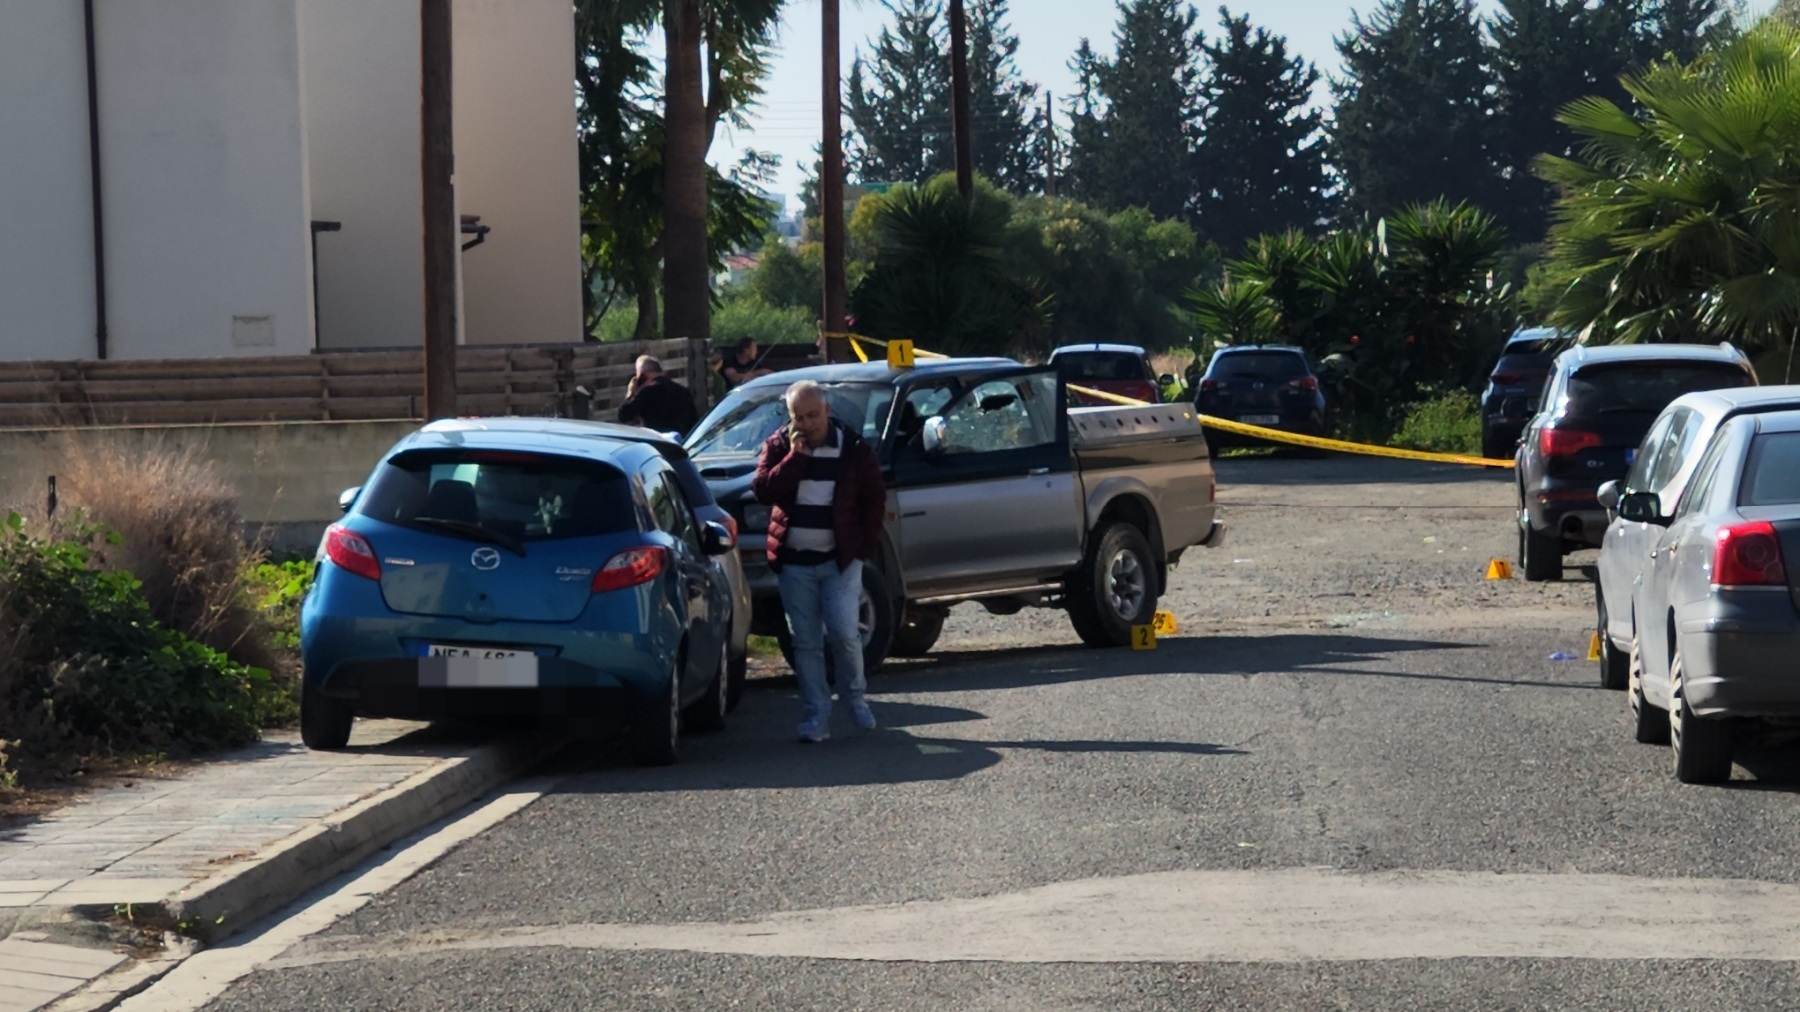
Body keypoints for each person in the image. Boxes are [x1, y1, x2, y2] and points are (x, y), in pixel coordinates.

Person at [752, 380, 886, 742]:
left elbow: (875, 496)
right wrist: (796, 458)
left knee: (844, 632)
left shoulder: (852, 448)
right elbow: (764, 490)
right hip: (795, 563)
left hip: (839, 561)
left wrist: (862, 546)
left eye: (813, 415)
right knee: (805, 642)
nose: (807, 423)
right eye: (799, 416)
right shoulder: (779, 445)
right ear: (790, 416)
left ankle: (856, 699)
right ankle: (817, 716)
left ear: (827, 410)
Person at [617, 355, 698, 436]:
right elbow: (694, 420)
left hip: (658, 443)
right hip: (681, 442)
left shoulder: (646, 394)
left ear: (642, 375)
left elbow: (623, 416)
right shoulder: (683, 391)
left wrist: (630, 393)